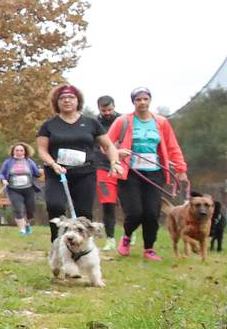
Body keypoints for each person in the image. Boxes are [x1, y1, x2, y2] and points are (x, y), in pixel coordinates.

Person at [107, 87, 188, 261]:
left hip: (155, 172)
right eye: (138, 100)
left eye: (145, 99)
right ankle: (127, 237)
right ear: (133, 102)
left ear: (150, 100)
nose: (142, 102)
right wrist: (118, 152)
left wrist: (181, 169)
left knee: (152, 213)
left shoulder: (161, 122)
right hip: (129, 172)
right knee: (135, 212)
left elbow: (172, 146)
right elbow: (105, 143)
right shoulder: (123, 121)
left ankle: (149, 249)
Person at [36, 84, 122, 243]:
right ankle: (57, 240)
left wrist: (114, 162)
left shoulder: (91, 123)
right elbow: (42, 150)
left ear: (78, 101)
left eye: (71, 97)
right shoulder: (48, 125)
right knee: (55, 206)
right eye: (62, 98)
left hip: (85, 173)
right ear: (56, 102)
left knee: (83, 212)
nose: (67, 101)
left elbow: (108, 145)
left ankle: (83, 245)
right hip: (57, 173)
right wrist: (52, 164)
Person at [93, 95, 120, 250]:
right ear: (99, 109)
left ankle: (129, 233)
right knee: (108, 203)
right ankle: (110, 238)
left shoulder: (123, 121)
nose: (107, 112)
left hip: (122, 166)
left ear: (114, 106)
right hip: (102, 168)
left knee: (127, 203)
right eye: (104, 110)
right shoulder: (94, 123)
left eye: (110, 109)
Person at [0, 142, 41, 235]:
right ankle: (22, 230)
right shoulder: (8, 162)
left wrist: (41, 171)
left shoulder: (29, 162)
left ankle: (27, 224)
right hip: (14, 189)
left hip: (29, 189)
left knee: (30, 210)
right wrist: (3, 180)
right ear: (13, 151)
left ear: (25, 152)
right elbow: (1, 174)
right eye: (17, 150)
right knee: (18, 209)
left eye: (21, 150)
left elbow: (36, 173)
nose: (19, 152)